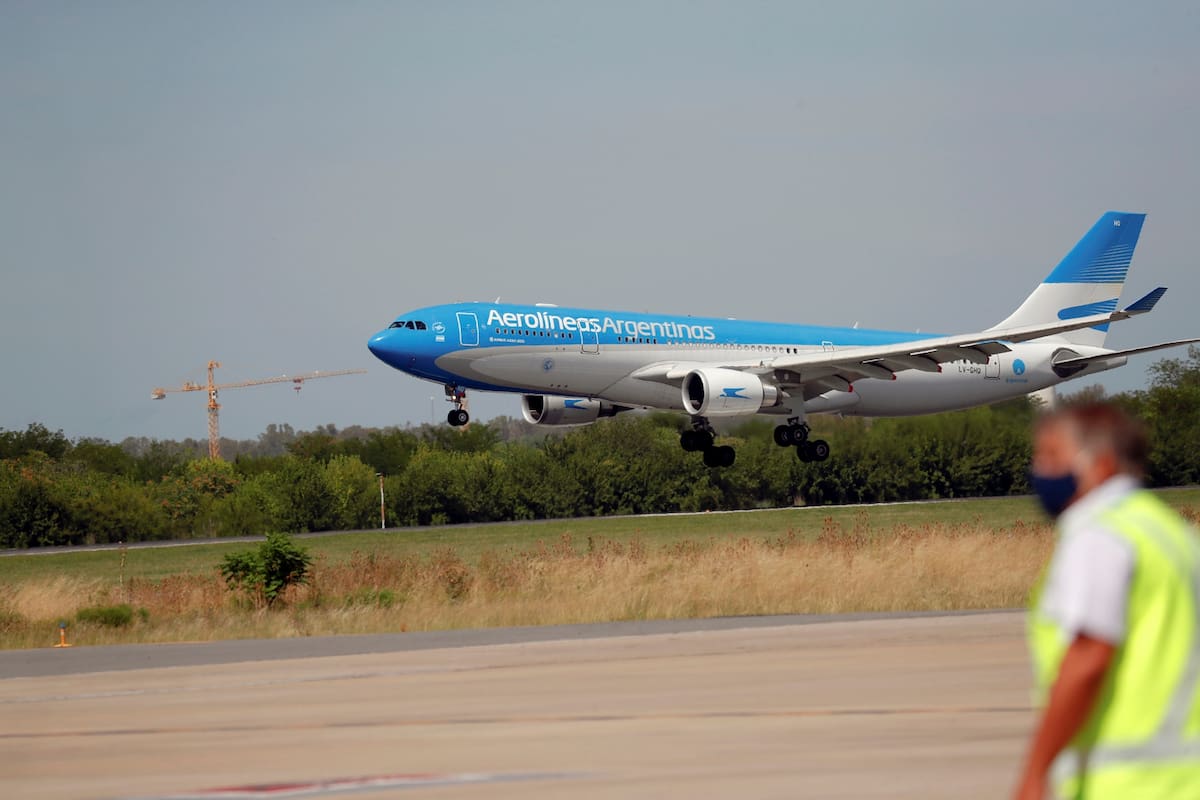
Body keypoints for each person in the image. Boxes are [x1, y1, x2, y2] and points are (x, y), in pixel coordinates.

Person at [1015, 402, 1200, 799]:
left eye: (1051, 457)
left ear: (1098, 464)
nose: (1038, 471)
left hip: (1130, 782)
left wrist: (1035, 772)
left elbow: (1089, 657)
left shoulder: (1099, 536)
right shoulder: (1166, 530)